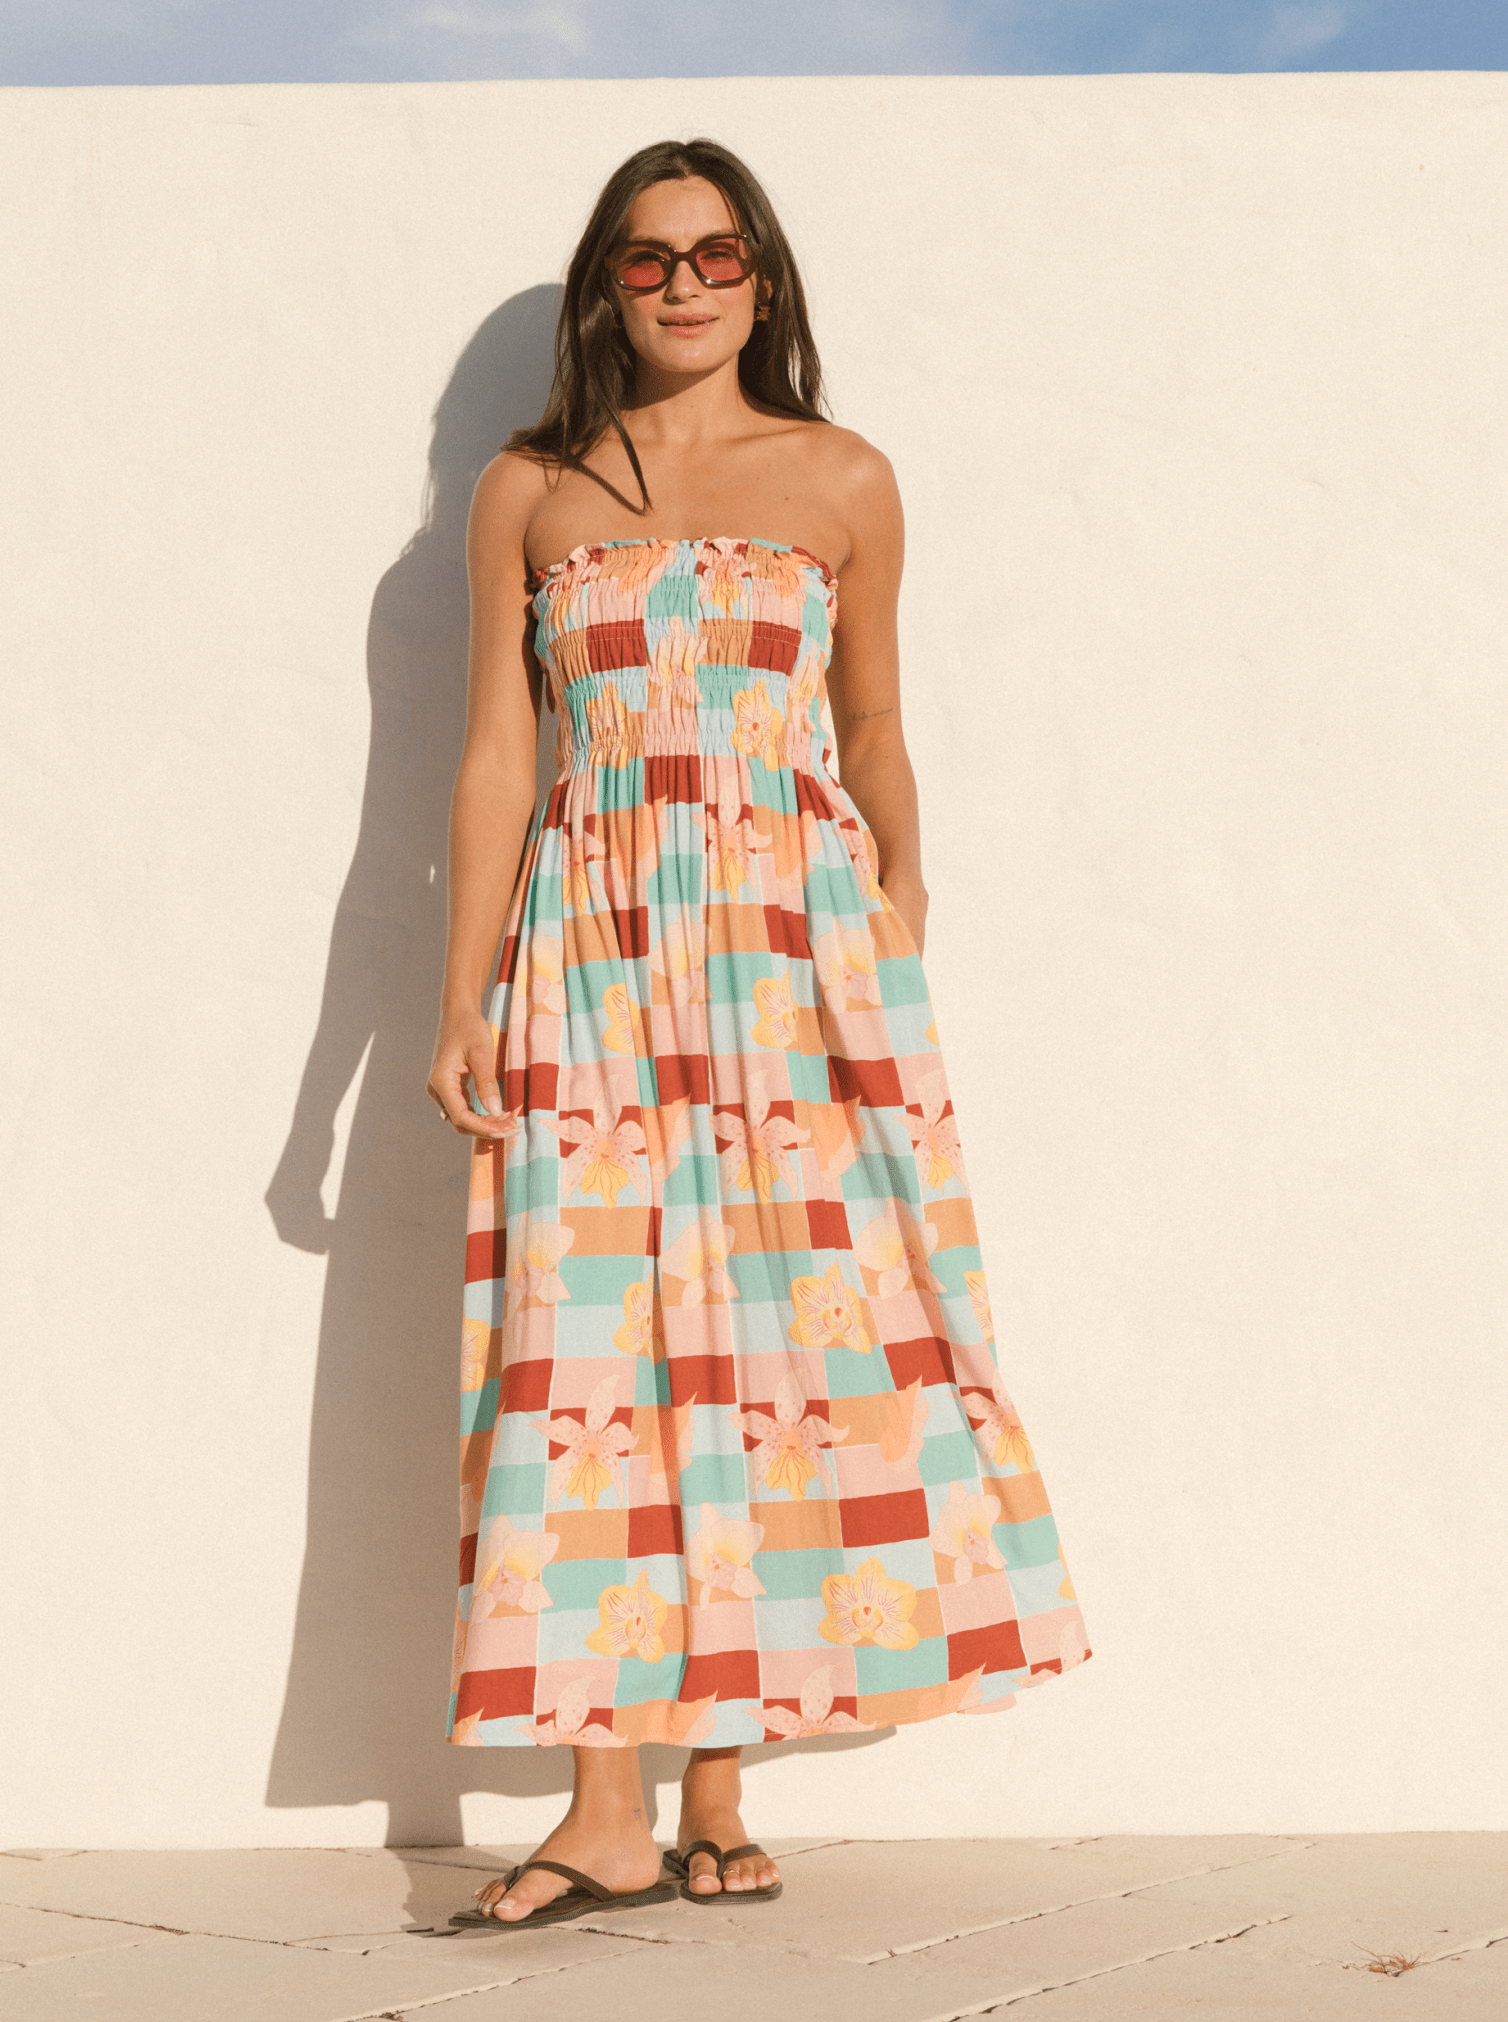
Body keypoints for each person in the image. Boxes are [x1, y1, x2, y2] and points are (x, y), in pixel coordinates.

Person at [427, 138, 1090, 1929]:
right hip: (590, 951)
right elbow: (499, 757)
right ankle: (604, 1800)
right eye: (649, 261)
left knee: (776, 1346)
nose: (688, 283)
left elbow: (871, 724)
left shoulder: (842, 480)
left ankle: (717, 1779)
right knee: (587, 1354)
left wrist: (900, 910)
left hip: (794, 956)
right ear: (605, 288)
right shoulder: (530, 492)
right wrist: (459, 995)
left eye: (719, 253)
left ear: (766, 278)